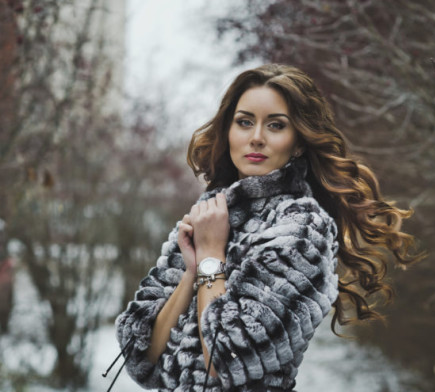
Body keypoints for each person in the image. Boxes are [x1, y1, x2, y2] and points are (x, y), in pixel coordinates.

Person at [114, 64, 418, 391]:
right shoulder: (209, 216)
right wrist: (192, 271)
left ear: (298, 142)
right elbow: (139, 355)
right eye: (244, 122)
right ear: (228, 132)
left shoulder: (302, 229)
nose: (256, 137)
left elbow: (226, 357)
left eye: (275, 125)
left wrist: (212, 258)